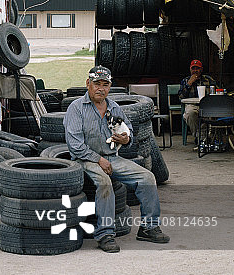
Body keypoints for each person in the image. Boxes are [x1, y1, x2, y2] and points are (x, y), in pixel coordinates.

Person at [64, 65, 169, 253]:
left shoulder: (114, 107)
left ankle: (149, 227)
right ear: (88, 84)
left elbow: (128, 133)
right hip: (85, 159)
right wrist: (99, 160)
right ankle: (105, 234)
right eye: (97, 84)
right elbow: (75, 145)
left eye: (105, 84)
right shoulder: (76, 108)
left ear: (110, 87)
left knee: (147, 177)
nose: (100, 88)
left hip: (112, 157)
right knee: (105, 183)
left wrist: (126, 139)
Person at [178, 59, 216, 145]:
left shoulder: (208, 79)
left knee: (209, 114)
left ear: (201, 69)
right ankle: (200, 136)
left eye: (197, 68)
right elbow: (181, 97)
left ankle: (203, 137)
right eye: (193, 68)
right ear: (190, 69)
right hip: (192, 105)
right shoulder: (185, 80)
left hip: (207, 105)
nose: (195, 71)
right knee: (190, 113)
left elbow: (216, 91)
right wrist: (189, 84)